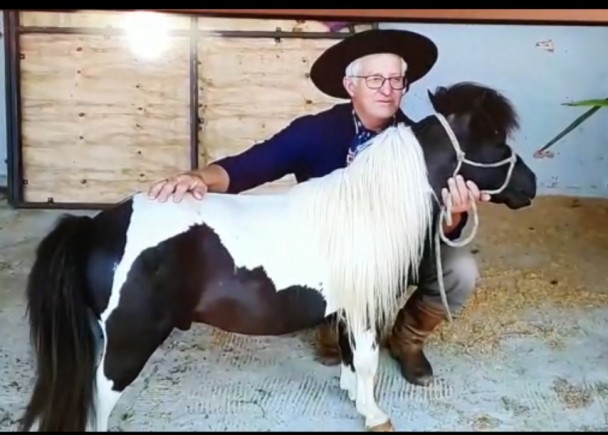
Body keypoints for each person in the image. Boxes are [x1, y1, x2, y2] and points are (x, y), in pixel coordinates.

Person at [148, 28, 488, 387]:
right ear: (349, 85)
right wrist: (199, 177)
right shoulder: (315, 131)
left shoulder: (421, 143)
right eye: (375, 79)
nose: (387, 90)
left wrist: (453, 215)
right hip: (327, 253)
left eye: (396, 80)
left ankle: (407, 339)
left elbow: (436, 228)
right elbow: (248, 165)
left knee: (460, 268)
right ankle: (335, 317)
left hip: (391, 254)